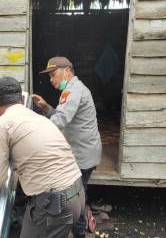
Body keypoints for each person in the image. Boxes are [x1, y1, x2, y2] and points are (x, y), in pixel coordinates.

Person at [0, 76, 85, 238]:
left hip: (55, 205)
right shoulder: (39, 118)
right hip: (77, 195)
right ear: (21, 99)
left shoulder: (0, 125)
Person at [32, 56, 102, 236]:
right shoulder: (73, 89)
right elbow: (64, 116)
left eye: (53, 74)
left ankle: (78, 232)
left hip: (82, 154)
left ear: (67, 71)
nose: (51, 80)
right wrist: (46, 107)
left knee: (75, 195)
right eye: (49, 77)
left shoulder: (73, 91)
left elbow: (61, 120)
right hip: (83, 150)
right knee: (78, 193)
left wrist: (33, 130)